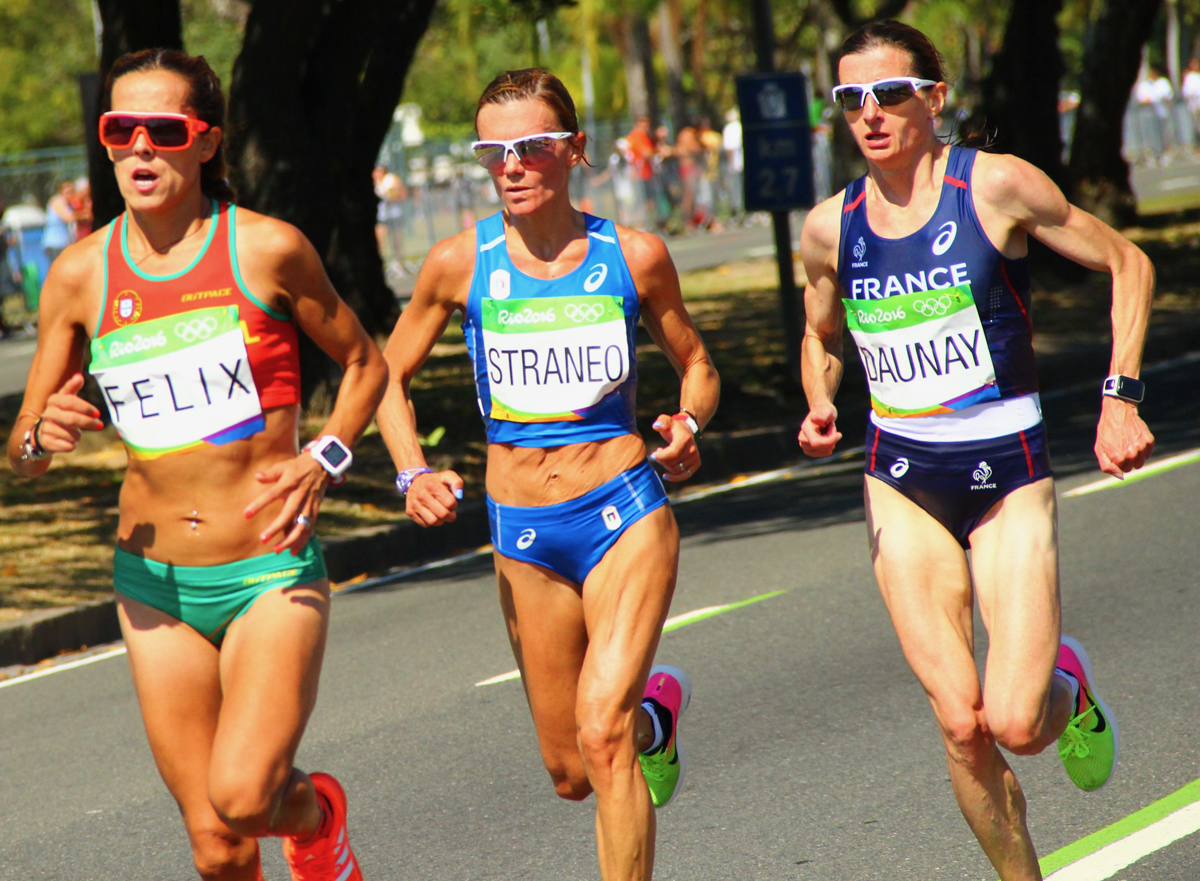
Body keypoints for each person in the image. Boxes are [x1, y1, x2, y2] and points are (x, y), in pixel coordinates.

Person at [7, 48, 388, 881]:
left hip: (267, 566)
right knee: (216, 844)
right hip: (154, 583)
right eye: (121, 129)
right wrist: (39, 437)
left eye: (164, 129)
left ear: (208, 141)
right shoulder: (79, 274)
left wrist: (325, 455)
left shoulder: (267, 250)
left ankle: (317, 815)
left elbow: (365, 361)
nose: (140, 147)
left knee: (245, 796)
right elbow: (22, 450)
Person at [796, 21, 1154, 881]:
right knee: (962, 721)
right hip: (901, 475)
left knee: (1016, 721)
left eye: (889, 93)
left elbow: (1129, 263)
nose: (870, 113)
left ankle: (1069, 692)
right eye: (851, 98)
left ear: (934, 97)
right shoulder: (829, 226)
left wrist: (1120, 396)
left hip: (1008, 470)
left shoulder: (992, 185)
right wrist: (820, 399)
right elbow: (820, 334)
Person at [376, 68, 719, 881]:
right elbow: (384, 376)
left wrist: (688, 422)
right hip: (523, 526)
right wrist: (410, 471)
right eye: (493, 151)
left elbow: (697, 364)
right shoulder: (459, 262)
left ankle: (628, 727)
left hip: (624, 505)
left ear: (573, 149)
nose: (512, 165)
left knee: (601, 732)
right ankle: (655, 719)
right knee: (571, 769)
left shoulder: (632, 254)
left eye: (531, 146)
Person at [43, 179, 77, 263]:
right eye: (67, 192)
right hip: (55, 244)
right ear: (61, 192)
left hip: (64, 244)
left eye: (72, 192)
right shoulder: (57, 201)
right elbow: (68, 218)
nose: (70, 195)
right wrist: (85, 215)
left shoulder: (68, 205)